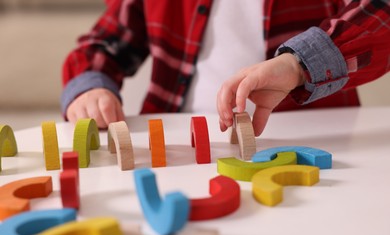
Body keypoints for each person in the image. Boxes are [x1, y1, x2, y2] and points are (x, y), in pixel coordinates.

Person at [61, 0, 390, 136]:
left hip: (316, 135)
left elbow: (381, 15)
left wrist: (298, 64)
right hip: (178, 139)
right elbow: (108, 40)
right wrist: (90, 86)